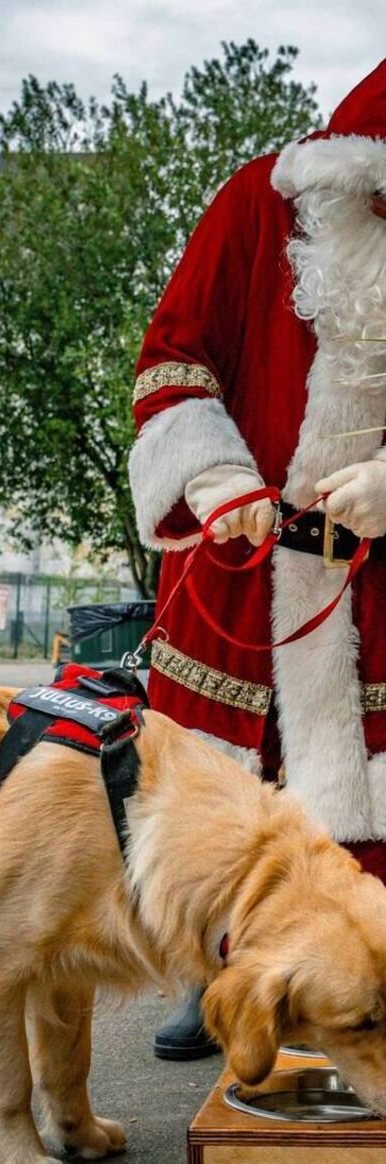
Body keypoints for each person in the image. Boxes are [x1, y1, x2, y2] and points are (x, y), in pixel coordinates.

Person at [128, 60, 386, 1060]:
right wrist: (219, 482)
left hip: (374, 588)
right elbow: (174, 357)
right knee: (223, 798)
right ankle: (221, 973)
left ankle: (360, 977)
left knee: (366, 793)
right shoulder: (252, 207)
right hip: (241, 572)